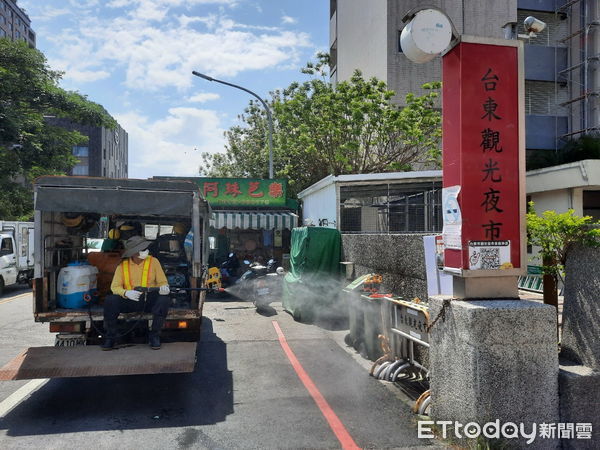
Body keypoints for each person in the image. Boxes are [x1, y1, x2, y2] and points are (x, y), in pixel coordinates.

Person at [102, 236, 170, 351]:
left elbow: (163, 282)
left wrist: (164, 288)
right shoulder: (122, 266)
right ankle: (110, 337)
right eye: (143, 249)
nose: (146, 251)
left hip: (149, 300)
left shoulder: (154, 262)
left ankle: (154, 336)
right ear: (134, 253)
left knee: (164, 300)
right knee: (110, 301)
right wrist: (126, 293)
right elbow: (115, 287)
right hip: (130, 301)